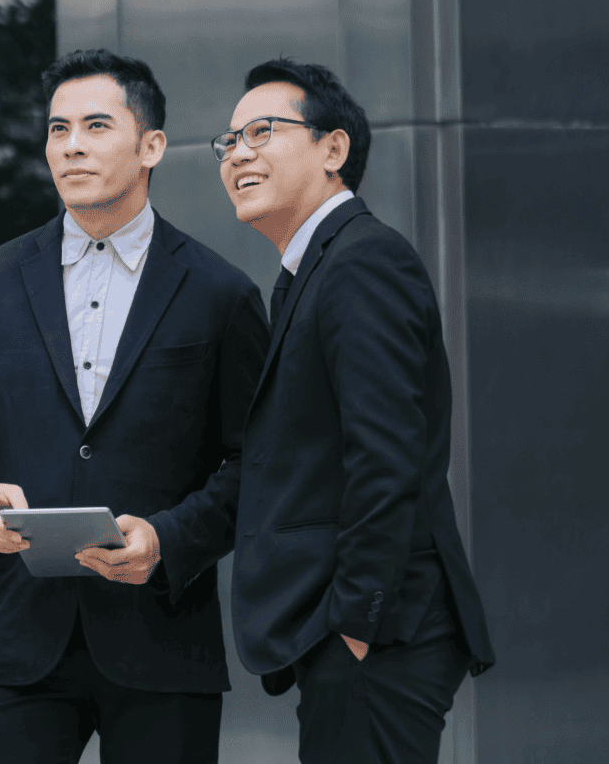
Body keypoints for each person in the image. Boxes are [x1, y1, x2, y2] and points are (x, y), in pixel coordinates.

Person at [0, 49, 269, 763]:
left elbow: (256, 461)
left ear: (151, 147)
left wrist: (170, 541)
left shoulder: (220, 294)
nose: (71, 144)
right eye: (57, 129)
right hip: (16, 638)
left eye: (95, 125)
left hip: (162, 637)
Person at [158, 57, 496, 762]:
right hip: (354, 637)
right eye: (229, 142)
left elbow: (387, 456)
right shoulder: (312, 273)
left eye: (261, 131)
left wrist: (355, 623)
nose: (238, 154)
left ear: (333, 149)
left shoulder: (362, 262)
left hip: (381, 635)